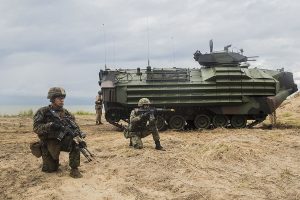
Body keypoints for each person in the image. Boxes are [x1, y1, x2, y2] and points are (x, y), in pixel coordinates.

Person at [33, 87, 82, 178]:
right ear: (52, 99)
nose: (62, 100)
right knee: (51, 170)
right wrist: (51, 125)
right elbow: (36, 128)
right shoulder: (43, 111)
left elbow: (74, 125)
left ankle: (74, 169)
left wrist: (77, 133)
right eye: (59, 98)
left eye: (63, 98)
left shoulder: (66, 112)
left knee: (76, 142)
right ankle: (43, 149)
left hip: (63, 141)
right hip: (49, 143)